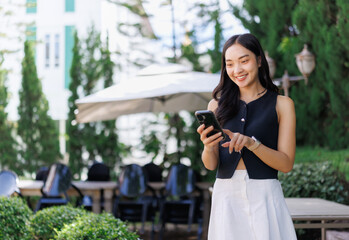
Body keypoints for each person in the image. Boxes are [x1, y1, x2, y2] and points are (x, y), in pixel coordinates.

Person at [197, 33, 297, 240]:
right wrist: (208, 147)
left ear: (259, 60)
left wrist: (252, 144)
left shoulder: (282, 104)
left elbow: (286, 164)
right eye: (230, 64)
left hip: (265, 196)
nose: (237, 70)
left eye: (244, 61)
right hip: (226, 197)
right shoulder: (215, 106)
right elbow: (210, 164)